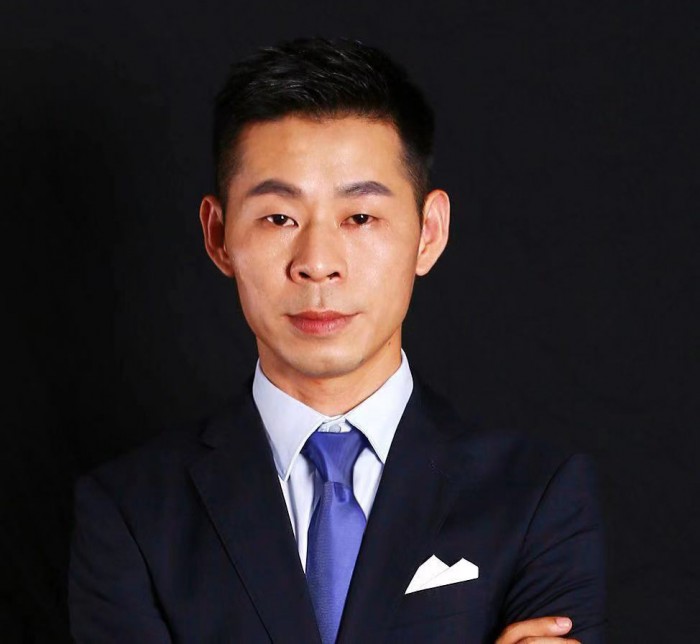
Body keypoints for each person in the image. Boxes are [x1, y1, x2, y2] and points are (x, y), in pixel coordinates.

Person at [69, 38, 605, 643]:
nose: (318, 263)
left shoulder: (536, 496)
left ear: (428, 232)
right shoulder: (130, 512)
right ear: (219, 236)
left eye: (360, 217)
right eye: (278, 218)